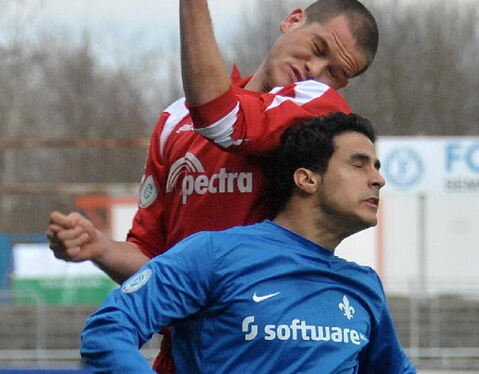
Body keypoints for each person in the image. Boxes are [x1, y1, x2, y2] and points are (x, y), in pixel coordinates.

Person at [47, 0, 378, 371]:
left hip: (256, 350)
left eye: (333, 71)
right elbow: (156, 264)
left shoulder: (318, 110)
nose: (314, 70)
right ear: (293, 19)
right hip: (184, 354)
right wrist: (101, 248)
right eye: (318, 49)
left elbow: (219, 116)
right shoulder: (175, 121)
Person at [80, 112, 417, 374]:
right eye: (359, 164)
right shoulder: (214, 255)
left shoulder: (363, 284)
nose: (378, 179)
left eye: (376, 167)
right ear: (307, 178)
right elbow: (108, 329)